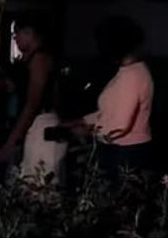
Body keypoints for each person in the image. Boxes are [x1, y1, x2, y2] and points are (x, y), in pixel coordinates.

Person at [63, 15, 155, 180]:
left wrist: (86, 131)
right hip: (122, 150)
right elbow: (110, 111)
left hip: (125, 152)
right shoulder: (128, 70)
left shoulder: (132, 76)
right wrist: (82, 121)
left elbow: (119, 125)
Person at [0, 12, 65, 184]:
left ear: (29, 32)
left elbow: (32, 103)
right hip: (37, 125)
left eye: (17, 34)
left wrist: (10, 143)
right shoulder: (32, 60)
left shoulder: (39, 59)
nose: (15, 38)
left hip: (42, 125)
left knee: (38, 184)